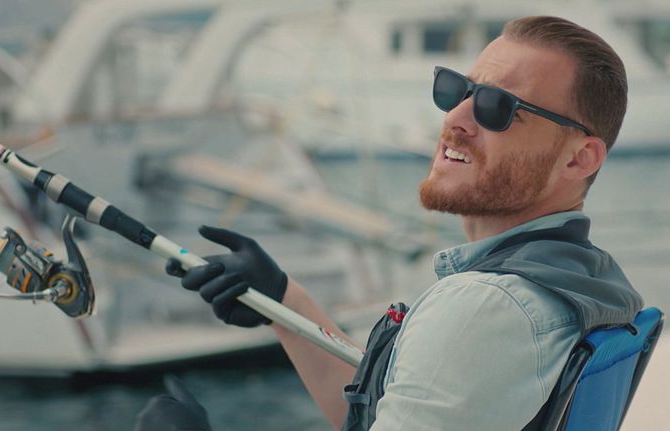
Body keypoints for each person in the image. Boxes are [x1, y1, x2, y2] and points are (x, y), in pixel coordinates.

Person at [134, 15, 643, 431]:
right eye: (457, 90)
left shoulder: (485, 307)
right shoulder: (589, 279)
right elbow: (388, 415)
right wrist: (285, 302)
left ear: (579, 158)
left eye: (498, 107)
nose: (456, 118)